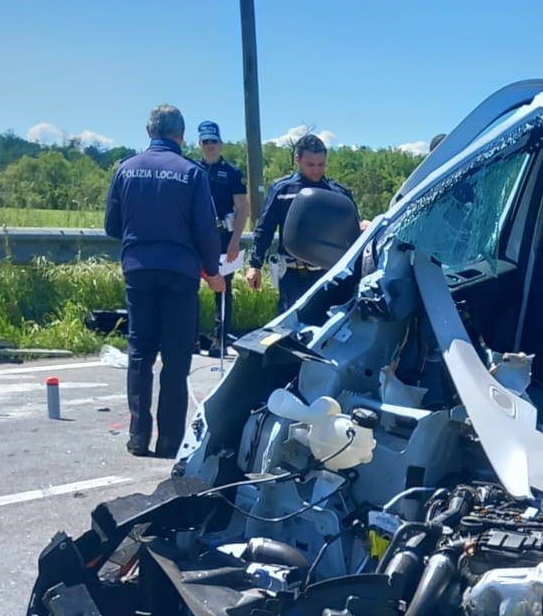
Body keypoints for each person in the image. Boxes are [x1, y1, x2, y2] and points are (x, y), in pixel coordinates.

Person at [104, 104, 226, 457]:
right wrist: (213, 273)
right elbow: (206, 231)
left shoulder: (126, 168)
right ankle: (169, 438)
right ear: (182, 135)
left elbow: (112, 225)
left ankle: (138, 435)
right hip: (180, 271)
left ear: (149, 131)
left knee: (140, 352)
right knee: (176, 354)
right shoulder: (192, 173)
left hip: (138, 267)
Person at [245, 133, 360, 311]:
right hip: (294, 275)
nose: (316, 170)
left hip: (330, 275)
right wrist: (255, 265)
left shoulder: (338, 194)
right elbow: (265, 228)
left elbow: (351, 234)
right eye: (310, 165)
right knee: (292, 325)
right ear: (298, 160)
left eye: (321, 164)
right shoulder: (283, 190)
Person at [194, 120, 247, 349]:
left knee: (223, 288)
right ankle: (192, 336)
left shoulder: (232, 172)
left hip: (223, 237)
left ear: (221, 143)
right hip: (196, 238)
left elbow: (242, 209)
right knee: (190, 287)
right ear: (200, 144)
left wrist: (235, 242)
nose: (210, 146)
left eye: (214, 141)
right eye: (206, 141)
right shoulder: (192, 169)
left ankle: (220, 338)